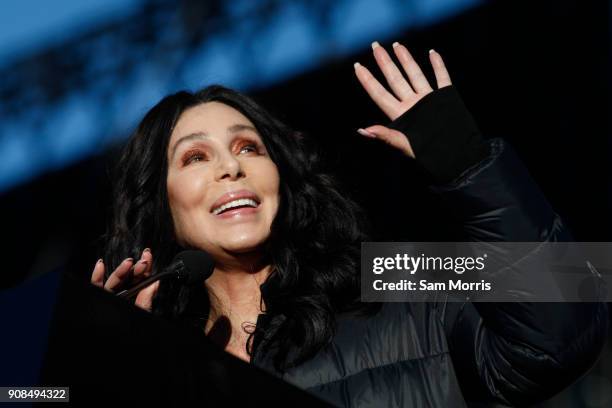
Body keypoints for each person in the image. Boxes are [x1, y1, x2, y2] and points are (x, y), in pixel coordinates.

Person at [90, 41, 608, 407]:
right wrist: (99, 362)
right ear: (160, 204)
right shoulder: (151, 365)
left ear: (281, 178)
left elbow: (566, 317)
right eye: (195, 157)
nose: (232, 166)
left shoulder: (390, 275)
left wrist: (466, 162)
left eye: (250, 146)